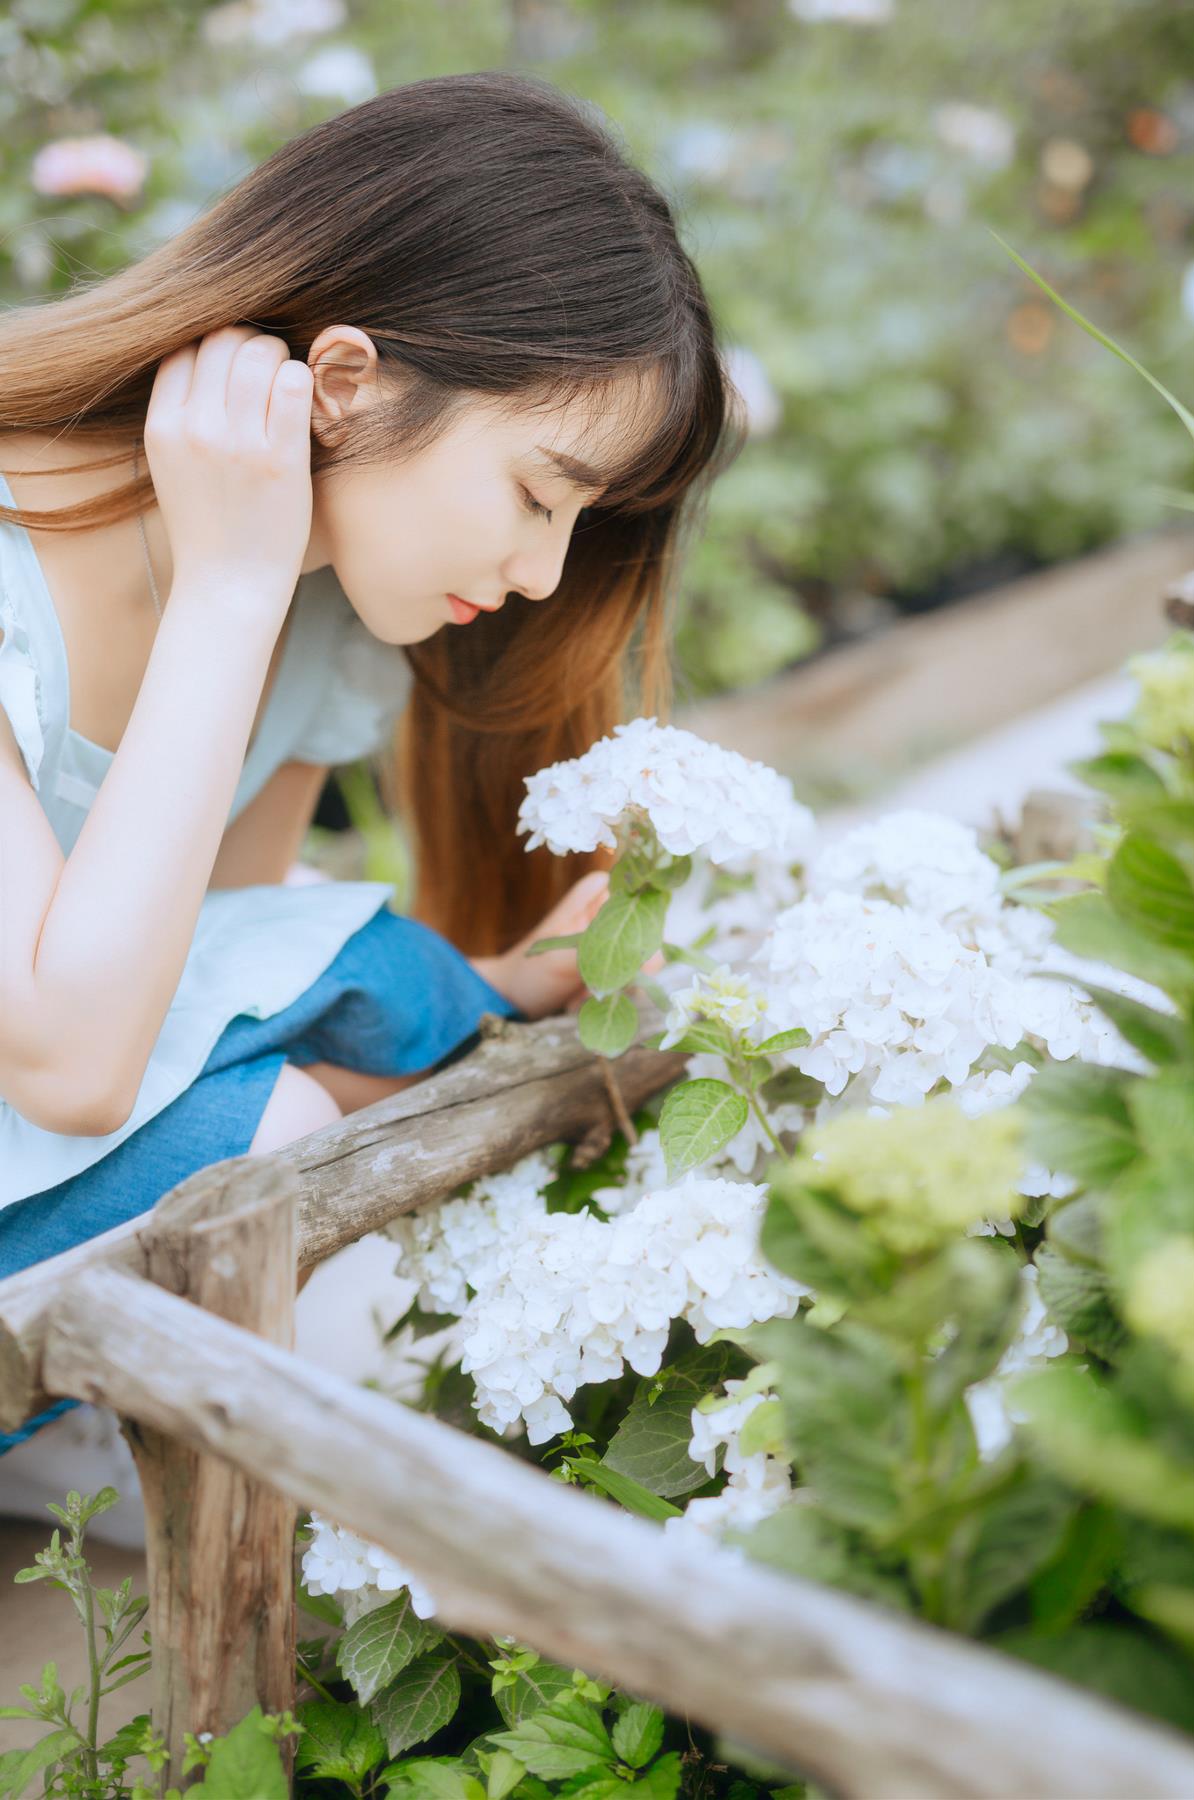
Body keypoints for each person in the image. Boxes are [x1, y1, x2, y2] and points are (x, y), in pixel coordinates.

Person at [0, 71, 744, 1460]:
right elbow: (78, 1067)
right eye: (539, 494)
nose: (540, 574)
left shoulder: (330, 620)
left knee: (286, 1094)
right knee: (282, 1118)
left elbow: (215, 981)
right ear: (343, 379)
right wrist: (233, 583)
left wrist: (496, 995)